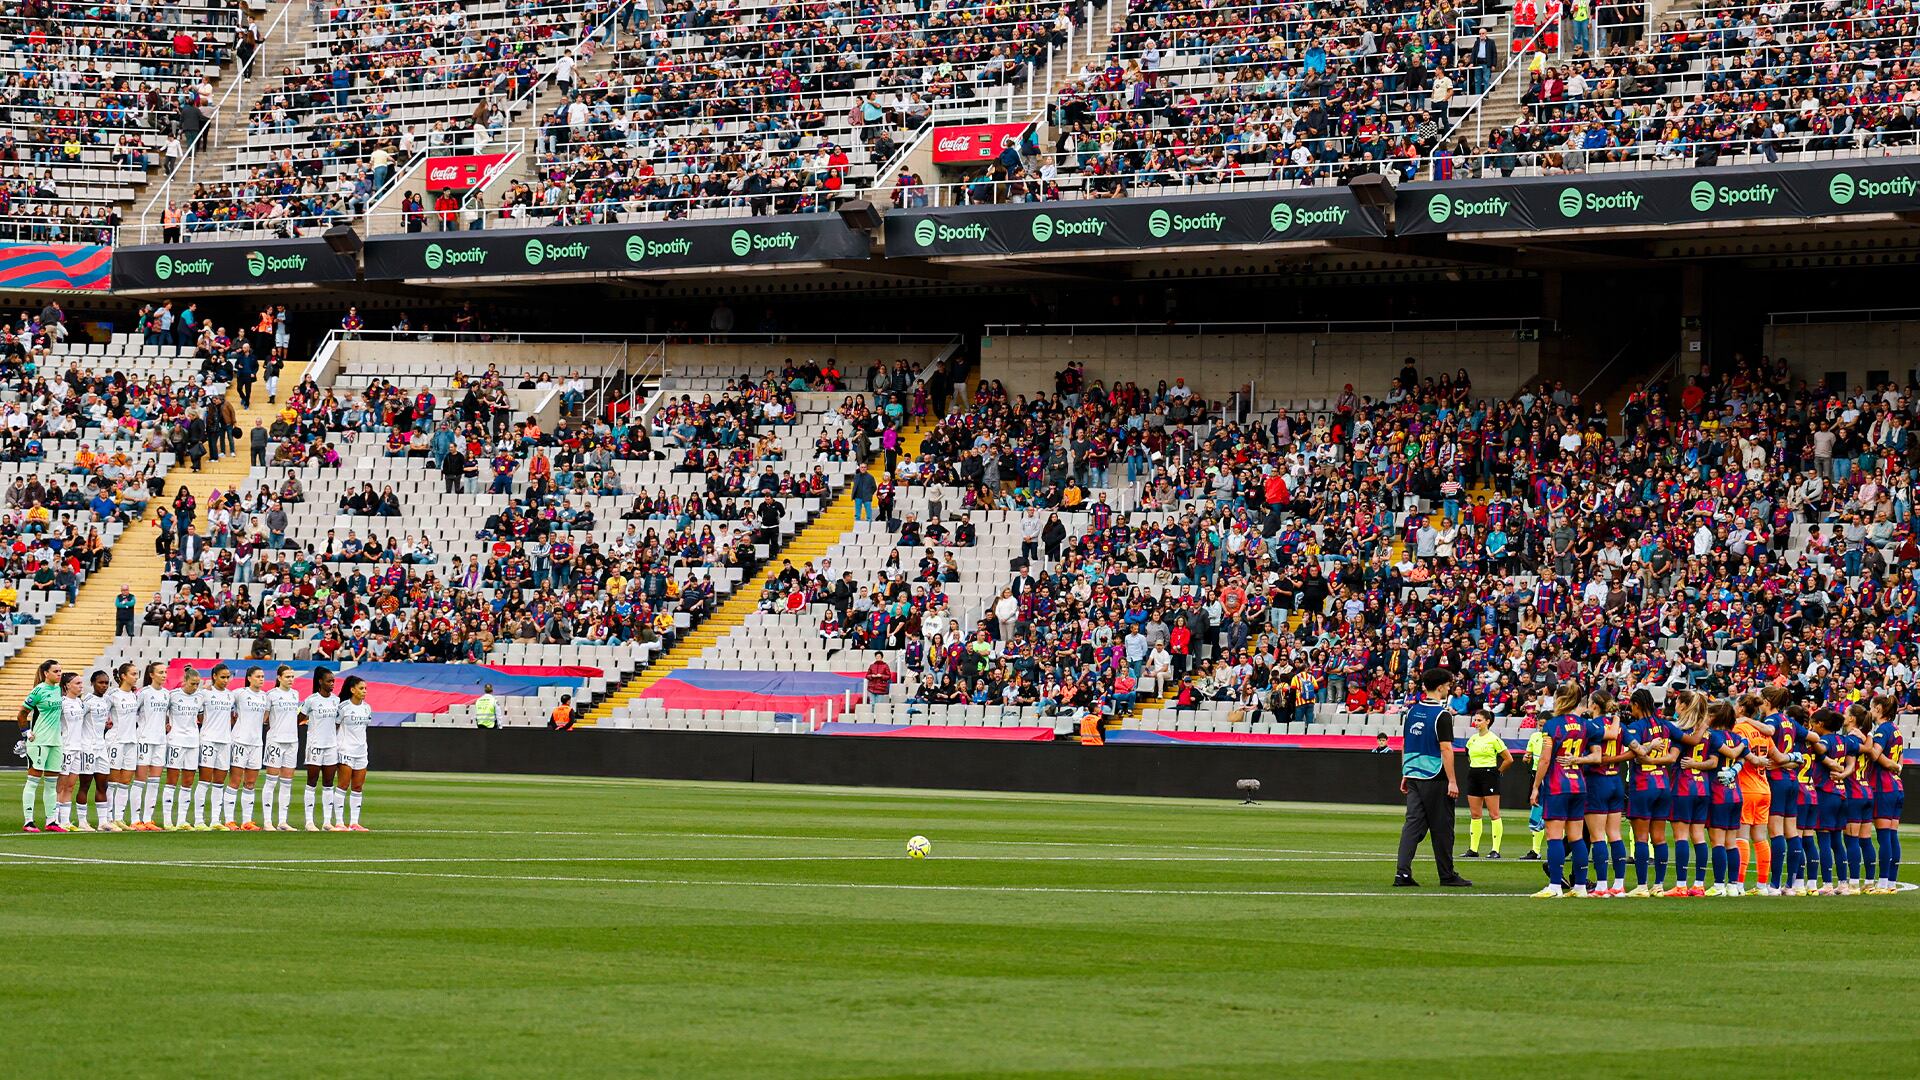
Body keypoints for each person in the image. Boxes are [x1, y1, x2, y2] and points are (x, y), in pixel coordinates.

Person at [1393, 667, 1470, 888]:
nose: (1449, 688)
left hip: (1414, 773)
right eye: (1448, 685)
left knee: (1412, 826)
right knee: (1443, 828)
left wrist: (1405, 772)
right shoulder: (1442, 714)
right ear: (1440, 687)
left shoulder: (1411, 711)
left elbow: (1406, 743)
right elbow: (1446, 749)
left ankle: (1402, 873)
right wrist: (1453, 780)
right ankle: (1447, 875)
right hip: (1435, 775)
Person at [1529, 683, 1597, 898]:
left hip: (1558, 785)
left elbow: (1545, 758)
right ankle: (1579, 887)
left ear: (1560, 699)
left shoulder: (1552, 725)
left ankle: (1555, 886)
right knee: (1577, 837)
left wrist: (1535, 786)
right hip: (1579, 784)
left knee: (1554, 836)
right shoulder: (1586, 726)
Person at [1621, 688, 1681, 897]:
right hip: (1663, 784)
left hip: (1643, 785)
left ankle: (1641, 886)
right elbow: (1685, 739)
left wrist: (1645, 749)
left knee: (1640, 838)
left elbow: (1632, 752)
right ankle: (1659, 885)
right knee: (1659, 838)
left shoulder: (1635, 727)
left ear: (1636, 705)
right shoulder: (1666, 725)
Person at [1579, 689, 1630, 896]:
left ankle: (1601, 885)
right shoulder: (1619, 727)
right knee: (1615, 835)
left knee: (1597, 836)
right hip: (1615, 780)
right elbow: (1636, 749)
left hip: (1597, 782)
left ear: (1594, 705)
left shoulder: (1591, 726)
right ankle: (1618, 885)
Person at [15, 659, 63, 831]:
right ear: (46, 673)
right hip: (39, 741)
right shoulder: (38, 690)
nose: (59, 674)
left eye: (60, 671)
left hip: (56, 742)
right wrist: (26, 733)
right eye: (56, 671)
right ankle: (28, 821)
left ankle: (51, 821)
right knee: (33, 781)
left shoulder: (59, 689)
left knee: (52, 783)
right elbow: (22, 714)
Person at [1865, 695, 1905, 893]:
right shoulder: (1896, 730)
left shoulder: (1883, 729)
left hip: (1884, 787)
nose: (1870, 711)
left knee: (1884, 837)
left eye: (1872, 707)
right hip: (1896, 786)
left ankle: (1882, 883)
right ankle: (1890, 882)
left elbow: (1874, 754)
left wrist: (1867, 739)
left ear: (1879, 708)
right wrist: (1897, 767)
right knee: (1891, 835)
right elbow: (1901, 758)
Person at [1461, 712, 1511, 859]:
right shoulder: (1472, 739)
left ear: (1487, 721)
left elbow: (1508, 759)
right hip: (1474, 774)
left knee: (1493, 814)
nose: (1476, 723)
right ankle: (1473, 849)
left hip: (1489, 775)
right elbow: (1468, 756)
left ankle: (1495, 849)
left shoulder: (1494, 739)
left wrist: (1498, 772)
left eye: (1479, 720)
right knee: (1475, 814)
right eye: (1475, 720)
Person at [162, 666, 204, 830]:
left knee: (188, 782)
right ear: (184, 681)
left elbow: (200, 717)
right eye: (192, 684)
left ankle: (182, 820)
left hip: (193, 742)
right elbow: (163, 713)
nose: (195, 687)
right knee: (172, 781)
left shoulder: (199, 697)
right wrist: (166, 724)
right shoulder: (173, 696)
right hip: (175, 741)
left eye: (197, 684)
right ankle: (167, 820)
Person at [229, 666, 270, 830]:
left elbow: (265, 717)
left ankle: (247, 821)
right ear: (249, 678)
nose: (261, 679)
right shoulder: (239, 693)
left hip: (256, 743)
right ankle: (229, 820)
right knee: (235, 782)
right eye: (258, 676)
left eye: (263, 676)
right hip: (240, 741)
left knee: (251, 782)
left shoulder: (264, 697)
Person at [302, 667, 342, 831]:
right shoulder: (311, 700)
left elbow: (338, 723)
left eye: (333, 681)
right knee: (311, 782)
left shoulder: (336, 700)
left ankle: (327, 822)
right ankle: (309, 822)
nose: (332, 684)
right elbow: (299, 718)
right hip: (315, 745)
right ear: (320, 682)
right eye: (329, 681)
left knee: (328, 783)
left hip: (331, 746)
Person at [263, 665, 303, 830]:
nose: (291, 680)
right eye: (287, 677)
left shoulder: (296, 694)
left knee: (287, 782)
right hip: (276, 740)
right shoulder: (271, 695)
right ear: (279, 678)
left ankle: (282, 821)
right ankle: (267, 821)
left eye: (292, 677)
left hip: (292, 741)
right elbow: (264, 718)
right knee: (271, 781)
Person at [197, 662, 236, 829]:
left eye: (228, 677)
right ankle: (199, 820)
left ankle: (215, 820)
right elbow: (198, 716)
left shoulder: (230, 696)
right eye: (223, 677)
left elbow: (233, 716)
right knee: (204, 780)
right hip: (208, 740)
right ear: (214, 676)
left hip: (225, 741)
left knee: (219, 782)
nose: (226, 680)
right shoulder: (204, 694)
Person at [105, 663, 141, 830]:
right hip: (115, 740)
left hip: (131, 741)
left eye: (137, 674)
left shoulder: (135, 695)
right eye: (133, 674)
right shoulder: (113, 695)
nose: (136, 677)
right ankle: (107, 817)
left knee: (125, 781)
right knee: (112, 781)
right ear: (123, 676)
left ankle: (119, 817)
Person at [334, 675, 372, 831]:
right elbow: (334, 726)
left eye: (365, 689)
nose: (364, 691)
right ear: (352, 690)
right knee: (343, 785)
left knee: (357, 786)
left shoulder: (367, 707)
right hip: (345, 749)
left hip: (361, 751)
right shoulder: (343, 707)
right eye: (361, 688)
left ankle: (354, 822)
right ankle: (339, 822)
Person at [135, 663, 169, 829]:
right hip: (144, 740)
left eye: (165, 672)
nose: (164, 675)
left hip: (161, 741)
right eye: (160, 672)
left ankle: (148, 819)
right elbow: (132, 713)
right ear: (151, 674)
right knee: (140, 780)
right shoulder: (144, 693)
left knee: (154, 781)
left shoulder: (166, 694)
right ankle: (135, 819)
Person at [50, 672, 85, 831]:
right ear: (67, 685)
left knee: (70, 785)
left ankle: (65, 820)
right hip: (66, 747)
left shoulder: (80, 702)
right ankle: (54, 819)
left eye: (81, 683)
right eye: (77, 683)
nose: (80, 686)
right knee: (60, 785)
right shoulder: (62, 703)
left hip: (78, 747)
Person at [77, 670, 111, 831]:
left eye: (106, 683)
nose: (104, 686)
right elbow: (78, 721)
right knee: (85, 785)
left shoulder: (107, 701)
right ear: (92, 683)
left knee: (103, 784)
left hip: (101, 746)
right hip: (88, 747)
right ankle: (82, 822)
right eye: (101, 682)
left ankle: (103, 822)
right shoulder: (86, 701)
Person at [1520, 723, 1548, 859]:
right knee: (1536, 811)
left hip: (1551, 777)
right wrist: (1527, 757)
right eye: (1540, 724)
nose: (1541, 727)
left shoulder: (1553, 738)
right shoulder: (1534, 737)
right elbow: (1528, 753)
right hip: (1536, 775)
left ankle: (1558, 848)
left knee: (1555, 814)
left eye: (1544, 725)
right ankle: (1535, 850)